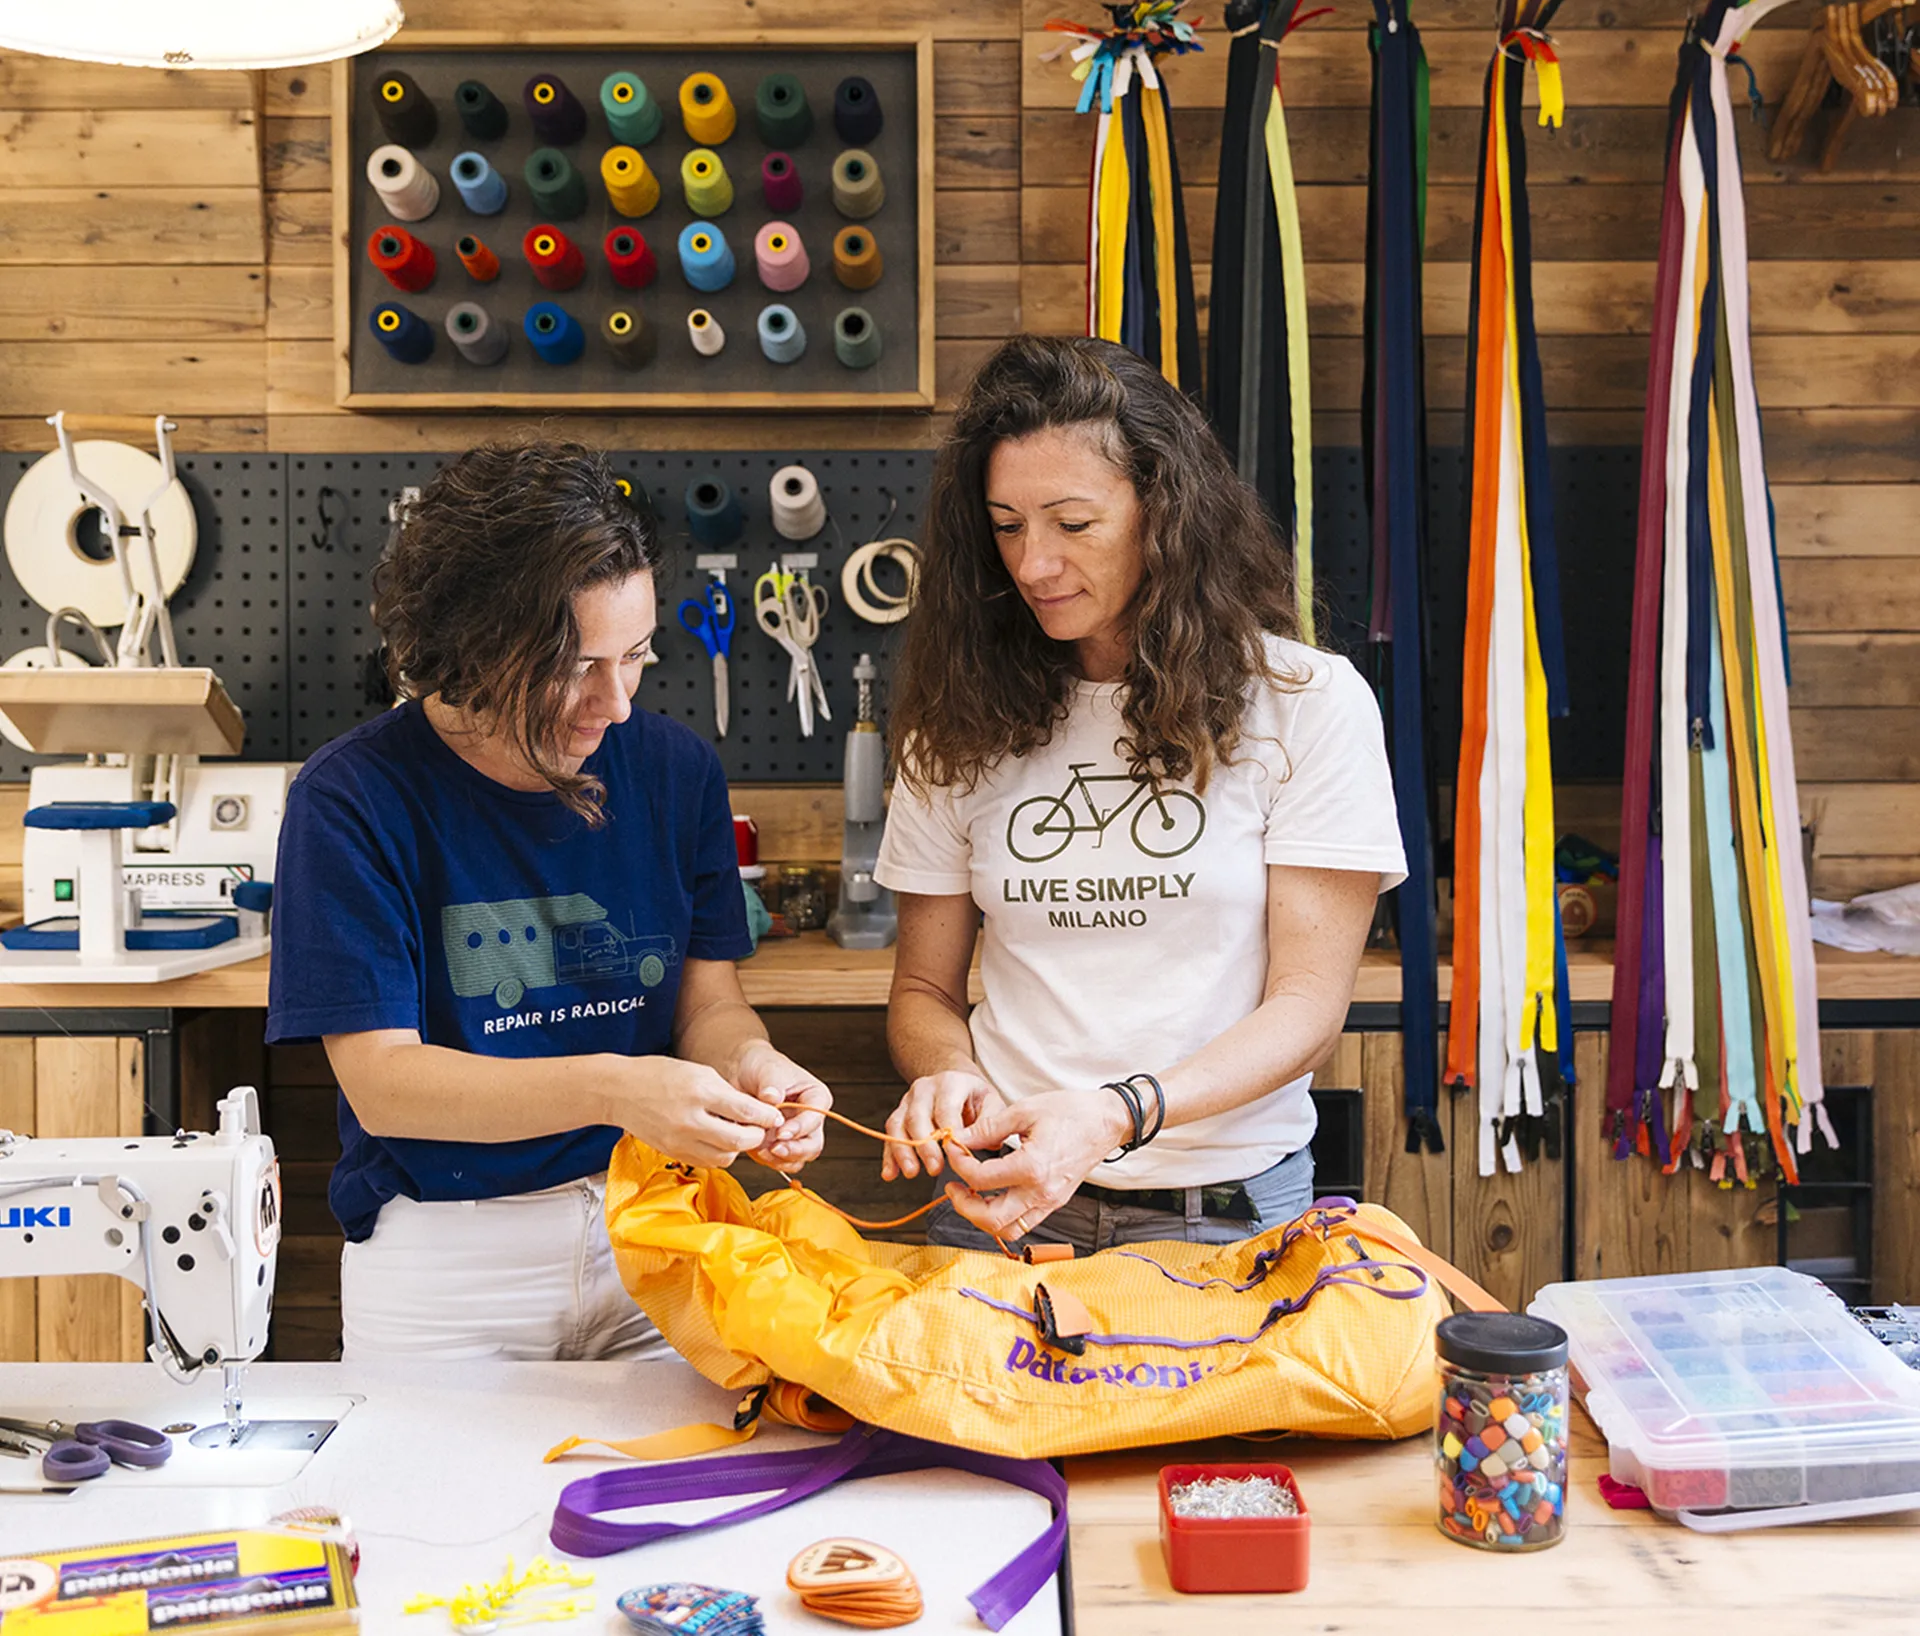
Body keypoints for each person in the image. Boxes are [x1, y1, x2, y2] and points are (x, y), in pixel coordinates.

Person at [266, 444, 829, 1361]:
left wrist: (753, 1065)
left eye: (637, 657)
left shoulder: (673, 769)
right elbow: (385, 1085)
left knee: (672, 1502)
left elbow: (708, 1003)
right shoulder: (353, 799)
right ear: (474, 646)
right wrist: (618, 1086)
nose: (613, 704)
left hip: (654, 1226)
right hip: (447, 1265)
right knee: (431, 1510)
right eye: (573, 667)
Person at [874, 336, 1406, 1256]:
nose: (1033, 564)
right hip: (1002, 1204)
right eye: (1006, 526)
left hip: (1225, 1217)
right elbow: (923, 988)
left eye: (1072, 524)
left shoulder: (1307, 706)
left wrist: (1117, 1116)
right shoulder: (956, 718)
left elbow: (1308, 1011)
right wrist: (948, 1072)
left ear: (1164, 511)